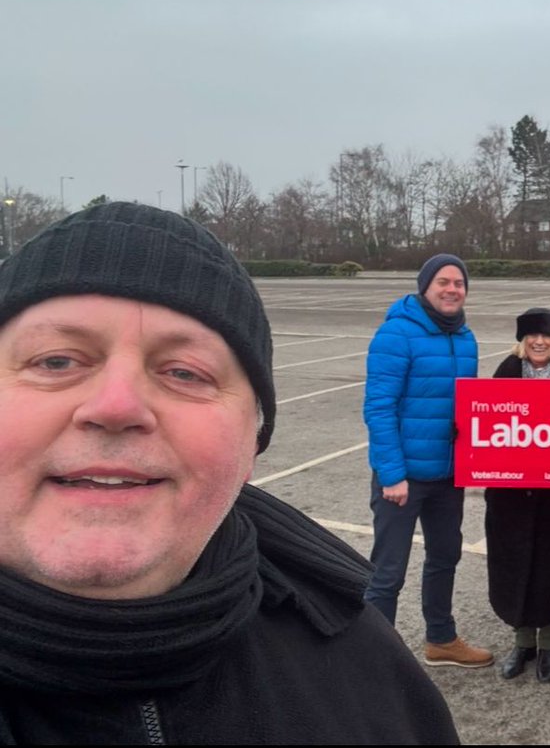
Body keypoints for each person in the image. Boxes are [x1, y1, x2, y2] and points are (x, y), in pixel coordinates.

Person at [0, 202, 459, 744]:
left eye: (184, 372)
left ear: (253, 444)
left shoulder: (367, 666)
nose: (116, 405)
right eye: (56, 361)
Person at [363, 253, 493, 668]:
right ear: (425, 286)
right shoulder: (396, 334)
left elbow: (465, 409)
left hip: (448, 475)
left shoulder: (465, 336)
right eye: (443, 281)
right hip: (402, 480)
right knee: (388, 573)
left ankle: (440, 639)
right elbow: (379, 407)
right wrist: (393, 474)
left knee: (444, 557)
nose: (452, 289)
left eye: (459, 282)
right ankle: (375, 658)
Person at [487, 308, 550, 684]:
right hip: (511, 496)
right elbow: (484, 421)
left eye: (546, 336)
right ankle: (523, 642)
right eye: (531, 336)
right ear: (522, 340)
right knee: (515, 569)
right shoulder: (504, 372)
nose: (539, 342)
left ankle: (549, 646)